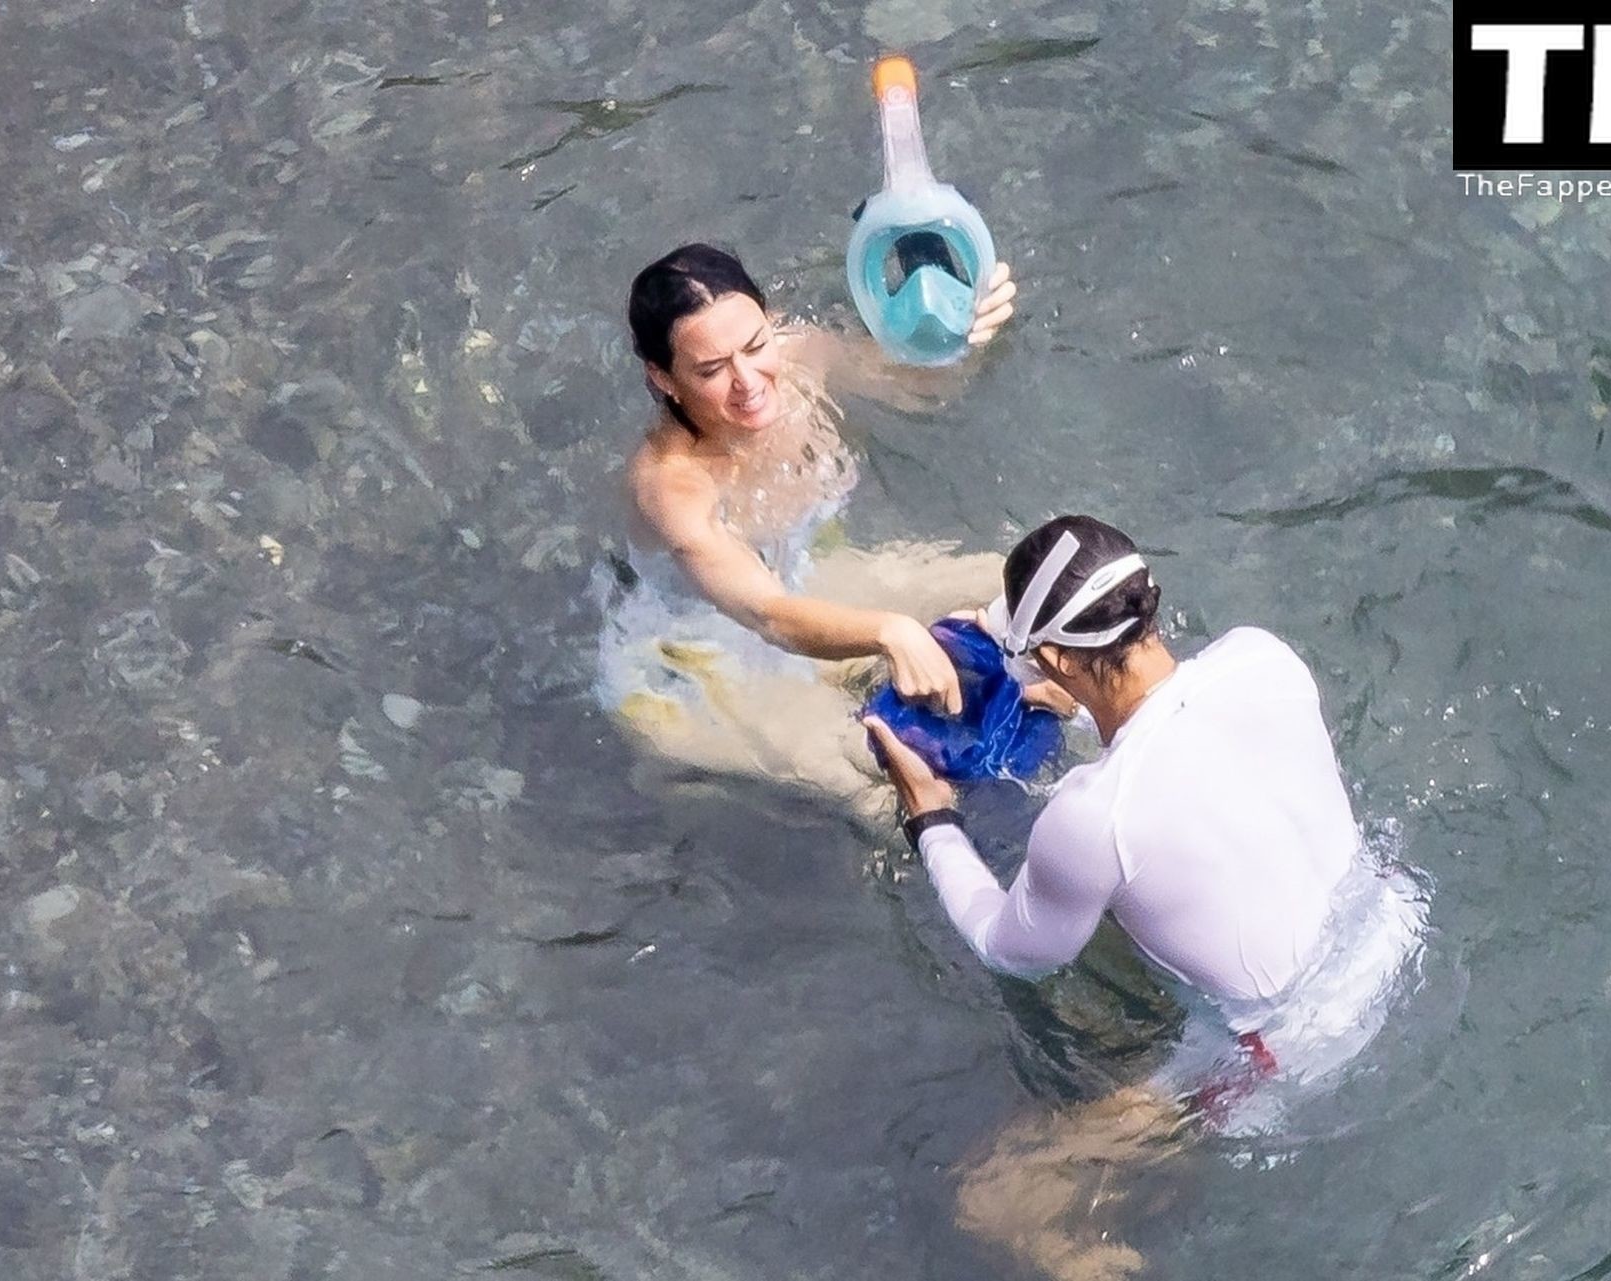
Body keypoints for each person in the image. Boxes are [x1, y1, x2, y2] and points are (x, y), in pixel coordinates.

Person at [864, 514, 1427, 1281]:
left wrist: (929, 816)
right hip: (1393, 930)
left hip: (1293, 1044)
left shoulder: (1093, 816)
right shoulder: (1262, 656)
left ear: (1056, 658)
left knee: (991, 1198)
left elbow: (1008, 951)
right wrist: (1077, 703)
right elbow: (1190, 763)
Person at [593, 243, 1017, 803]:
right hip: (698, 667)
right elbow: (768, 615)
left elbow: (921, 388)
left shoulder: (801, 358)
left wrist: (963, 329)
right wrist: (890, 631)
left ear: (770, 322)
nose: (748, 381)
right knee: (889, 790)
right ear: (663, 378)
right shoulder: (672, 486)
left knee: (1024, 582)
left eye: (755, 345)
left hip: (811, 581)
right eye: (712, 369)